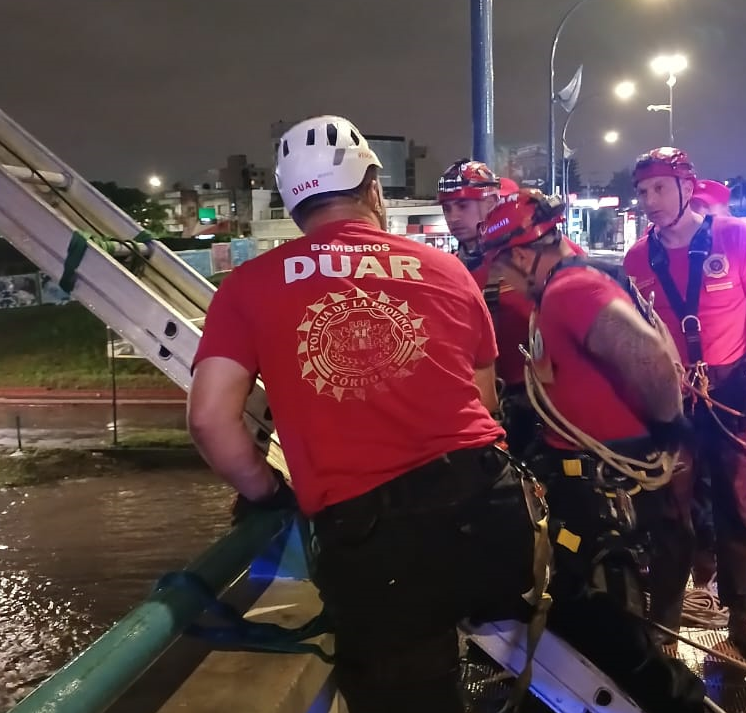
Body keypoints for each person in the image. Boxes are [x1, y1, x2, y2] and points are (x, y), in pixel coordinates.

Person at [187, 115, 545, 713]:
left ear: (293, 203)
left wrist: (267, 491)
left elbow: (209, 421)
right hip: (495, 520)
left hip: (382, 556)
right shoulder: (448, 269)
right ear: (372, 190)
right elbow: (482, 403)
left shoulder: (247, 287)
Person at [477, 188, 707, 713]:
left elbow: (643, 353)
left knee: (606, 619)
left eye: (504, 267)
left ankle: (670, 701)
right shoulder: (566, 284)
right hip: (587, 475)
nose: (504, 279)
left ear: (520, 254)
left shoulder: (570, 291)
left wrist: (670, 428)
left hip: (606, 483)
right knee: (588, 605)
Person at [623, 147, 746, 668]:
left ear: (687, 189)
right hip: (673, 398)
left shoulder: (735, 239)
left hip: (733, 391)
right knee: (668, 509)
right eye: (643, 191)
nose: (649, 201)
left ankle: (742, 615)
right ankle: (666, 614)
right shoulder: (637, 258)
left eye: (659, 189)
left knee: (736, 511)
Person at [437, 160, 538, 456]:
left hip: (541, 401)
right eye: (447, 209)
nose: (453, 218)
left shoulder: (529, 256)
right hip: (483, 404)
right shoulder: (447, 268)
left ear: (492, 201)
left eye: (462, 206)